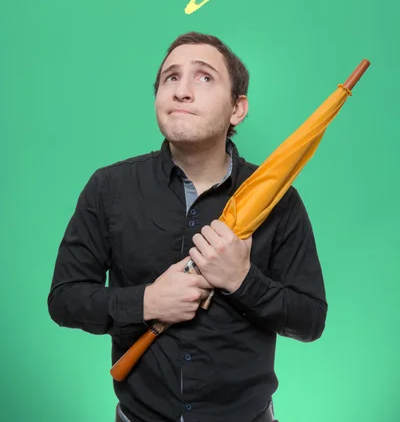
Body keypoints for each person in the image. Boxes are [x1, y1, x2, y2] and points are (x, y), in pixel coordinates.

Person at [47, 31, 328, 422]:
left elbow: (310, 320)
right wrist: (148, 302)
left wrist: (242, 280)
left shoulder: (279, 200)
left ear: (237, 109)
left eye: (204, 77)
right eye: (171, 78)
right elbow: (65, 300)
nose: (182, 91)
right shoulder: (109, 188)